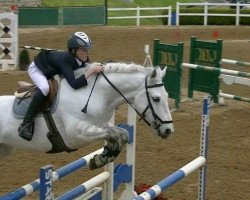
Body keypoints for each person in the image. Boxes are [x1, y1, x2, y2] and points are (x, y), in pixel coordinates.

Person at [18, 31, 104, 141]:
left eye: (87, 49)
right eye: (83, 50)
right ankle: (26, 124)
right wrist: (91, 70)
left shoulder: (81, 58)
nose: (87, 53)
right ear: (74, 50)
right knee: (45, 88)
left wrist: (95, 67)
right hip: (37, 69)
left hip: (50, 70)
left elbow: (86, 68)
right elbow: (74, 84)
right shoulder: (66, 60)